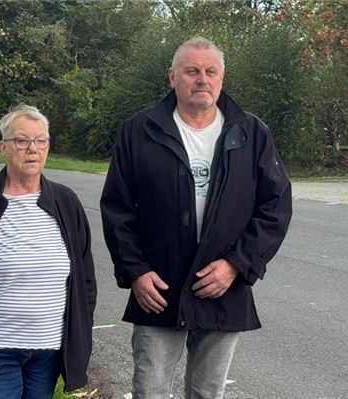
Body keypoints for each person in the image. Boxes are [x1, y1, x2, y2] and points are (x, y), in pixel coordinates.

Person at [100, 36, 292, 399]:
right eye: (192, 71)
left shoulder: (251, 133)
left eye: (210, 71)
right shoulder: (139, 131)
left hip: (223, 288)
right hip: (157, 289)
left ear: (222, 78)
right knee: (150, 391)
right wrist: (136, 271)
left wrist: (236, 265)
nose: (201, 79)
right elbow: (117, 209)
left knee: (208, 394)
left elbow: (275, 207)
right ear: (172, 77)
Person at [0, 104, 97, 399]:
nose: (32, 149)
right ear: (4, 148)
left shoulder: (66, 202)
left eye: (41, 140)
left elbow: (85, 279)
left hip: (48, 350)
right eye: (22, 140)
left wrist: (81, 330)